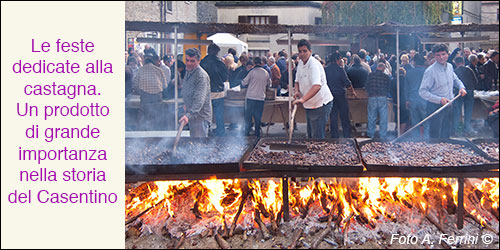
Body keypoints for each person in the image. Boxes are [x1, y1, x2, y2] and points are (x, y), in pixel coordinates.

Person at [419, 44, 467, 139]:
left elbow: (455, 79)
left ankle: (446, 151)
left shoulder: (449, 66)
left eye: (443, 54)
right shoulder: (430, 71)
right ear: (434, 56)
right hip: (435, 107)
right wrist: (439, 99)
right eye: (438, 55)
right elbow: (422, 91)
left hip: (449, 105)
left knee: (447, 133)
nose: (441, 57)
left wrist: (462, 87)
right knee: (435, 135)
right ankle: (435, 152)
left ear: (448, 54)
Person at [293, 39, 333, 139]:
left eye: (305, 51)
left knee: (317, 135)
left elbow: (317, 86)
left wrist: (302, 99)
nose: (302, 54)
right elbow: (296, 81)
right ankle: (311, 151)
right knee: (310, 134)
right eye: (300, 51)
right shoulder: (301, 64)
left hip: (320, 103)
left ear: (310, 51)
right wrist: (297, 91)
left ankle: (318, 153)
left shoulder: (313, 65)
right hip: (309, 103)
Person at [180, 48, 212, 138]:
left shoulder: (201, 76)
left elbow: (199, 99)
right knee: (194, 144)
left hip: (200, 117)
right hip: (193, 115)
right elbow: (188, 89)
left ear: (198, 61)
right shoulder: (189, 71)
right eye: (187, 60)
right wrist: (187, 104)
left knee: (199, 146)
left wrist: (189, 115)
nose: (189, 63)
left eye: (192, 61)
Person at [325, 52, 358, 138]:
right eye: (340, 59)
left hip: (330, 96)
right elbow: (347, 83)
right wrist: (353, 92)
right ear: (336, 60)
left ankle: (334, 136)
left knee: (333, 116)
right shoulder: (340, 70)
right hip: (340, 95)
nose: (341, 61)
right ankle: (347, 135)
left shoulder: (326, 69)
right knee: (344, 116)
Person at [132, 53, 168, 130]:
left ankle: (144, 133)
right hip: (158, 96)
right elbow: (165, 85)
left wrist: (139, 91)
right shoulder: (159, 70)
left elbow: (135, 84)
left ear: (145, 62)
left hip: (145, 96)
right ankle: (157, 133)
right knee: (156, 116)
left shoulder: (140, 70)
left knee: (145, 116)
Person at [200, 43, 228, 136]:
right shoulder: (220, 63)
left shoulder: (202, 62)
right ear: (216, 52)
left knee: (205, 114)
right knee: (219, 114)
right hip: (218, 92)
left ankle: (206, 131)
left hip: (205, 92)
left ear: (208, 51)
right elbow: (225, 78)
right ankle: (220, 132)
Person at [241, 57, 271, 137]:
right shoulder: (265, 73)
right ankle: (257, 134)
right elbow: (269, 84)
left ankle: (246, 133)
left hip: (250, 97)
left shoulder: (251, 72)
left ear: (254, 63)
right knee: (258, 117)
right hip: (260, 97)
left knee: (248, 116)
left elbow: (244, 82)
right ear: (261, 63)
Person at [404, 53, 429, 138]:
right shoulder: (427, 72)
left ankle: (416, 142)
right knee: (426, 122)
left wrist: (407, 100)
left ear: (414, 62)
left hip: (413, 99)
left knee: (415, 123)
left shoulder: (409, 73)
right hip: (425, 100)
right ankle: (427, 141)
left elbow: (406, 88)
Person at [453, 56, 478, 136]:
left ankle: (456, 130)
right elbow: (476, 81)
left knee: (457, 112)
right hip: (469, 91)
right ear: (463, 62)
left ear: (456, 63)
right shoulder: (469, 70)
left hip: (458, 92)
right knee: (468, 111)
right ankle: (467, 130)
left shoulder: (455, 71)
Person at [365, 63, 391, 139]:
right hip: (382, 97)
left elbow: (366, 85)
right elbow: (389, 87)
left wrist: (370, 92)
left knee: (371, 117)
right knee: (383, 118)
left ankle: (371, 135)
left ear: (377, 67)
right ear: (383, 69)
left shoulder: (370, 75)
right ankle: (382, 135)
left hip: (372, 97)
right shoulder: (386, 77)